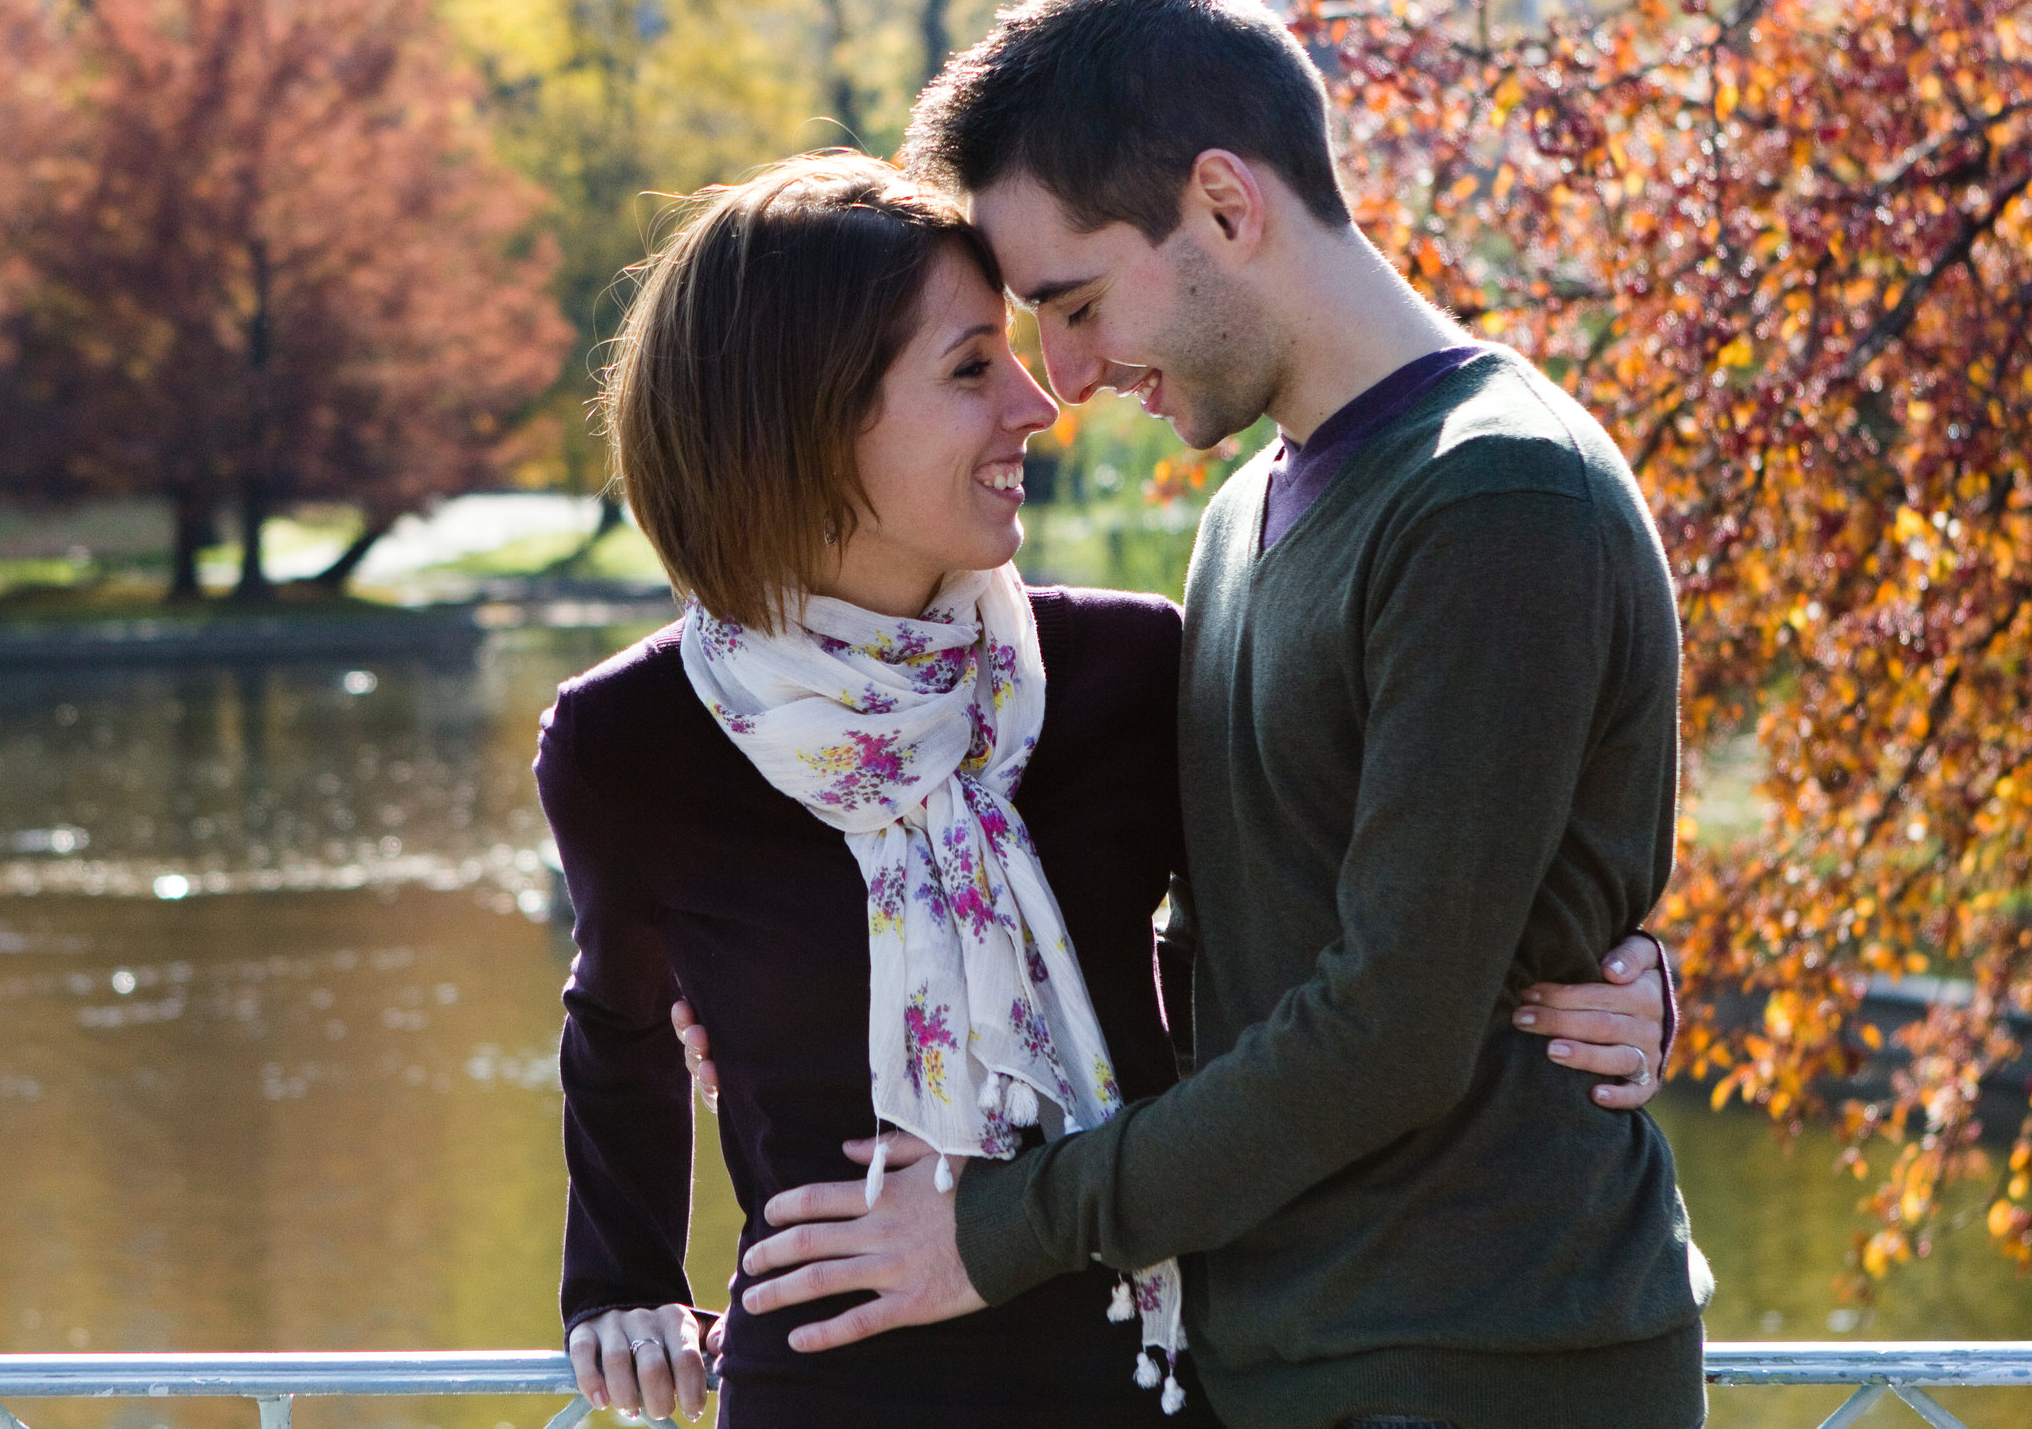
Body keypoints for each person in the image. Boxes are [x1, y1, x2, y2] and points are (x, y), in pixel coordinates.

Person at [540, 150, 1677, 1429]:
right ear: (799, 418)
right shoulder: (629, 738)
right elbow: (619, 1022)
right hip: (837, 1386)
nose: (1038, 402)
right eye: (972, 367)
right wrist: (622, 1281)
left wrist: (1593, 961)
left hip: (1149, 1373)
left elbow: (1327, 934)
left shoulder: (1123, 670)